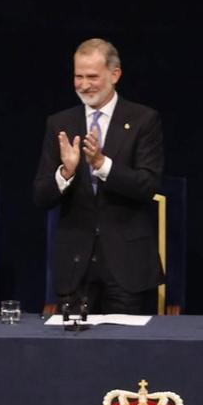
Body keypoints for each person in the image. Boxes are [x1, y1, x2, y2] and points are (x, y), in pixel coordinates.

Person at [31, 38, 165, 314]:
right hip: (76, 265)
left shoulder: (143, 120)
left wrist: (103, 164)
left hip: (127, 266)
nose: (83, 84)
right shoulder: (60, 123)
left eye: (92, 76)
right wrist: (65, 172)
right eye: (78, 76)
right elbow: (41, 196)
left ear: (115, 75)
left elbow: (147, 185)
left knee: (128, 352)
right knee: (74, 355)